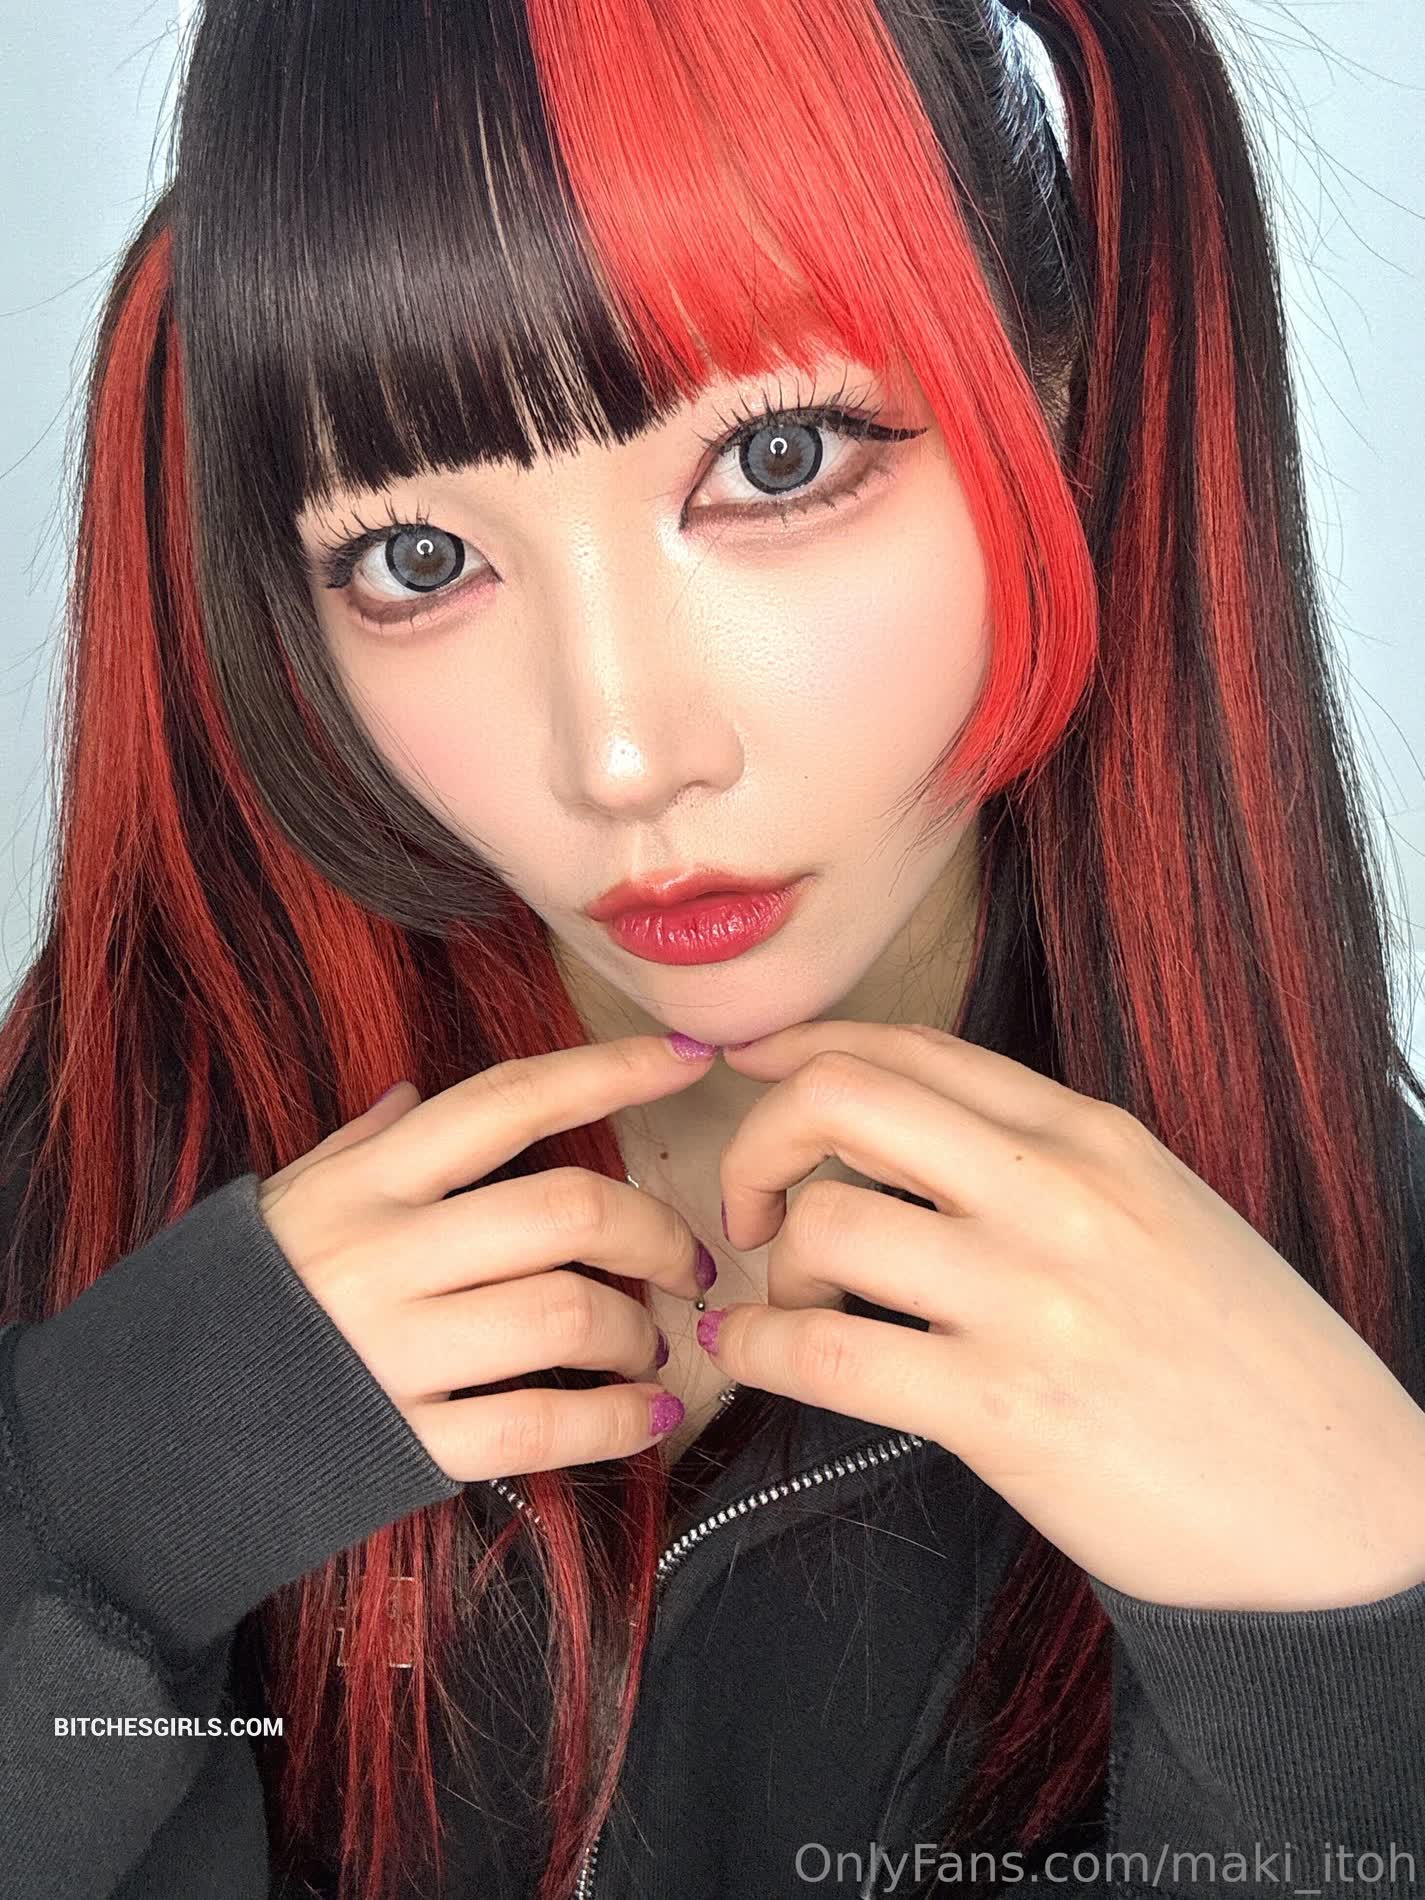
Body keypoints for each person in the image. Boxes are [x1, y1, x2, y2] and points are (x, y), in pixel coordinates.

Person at [2, 0, 1423, 1895]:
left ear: (1061, 390)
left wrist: (1342, 1652)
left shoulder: (1374, 1346)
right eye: (418, 560)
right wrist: (98, 1511)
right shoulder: (81, 1198)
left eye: (775, 459)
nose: (620, 755)